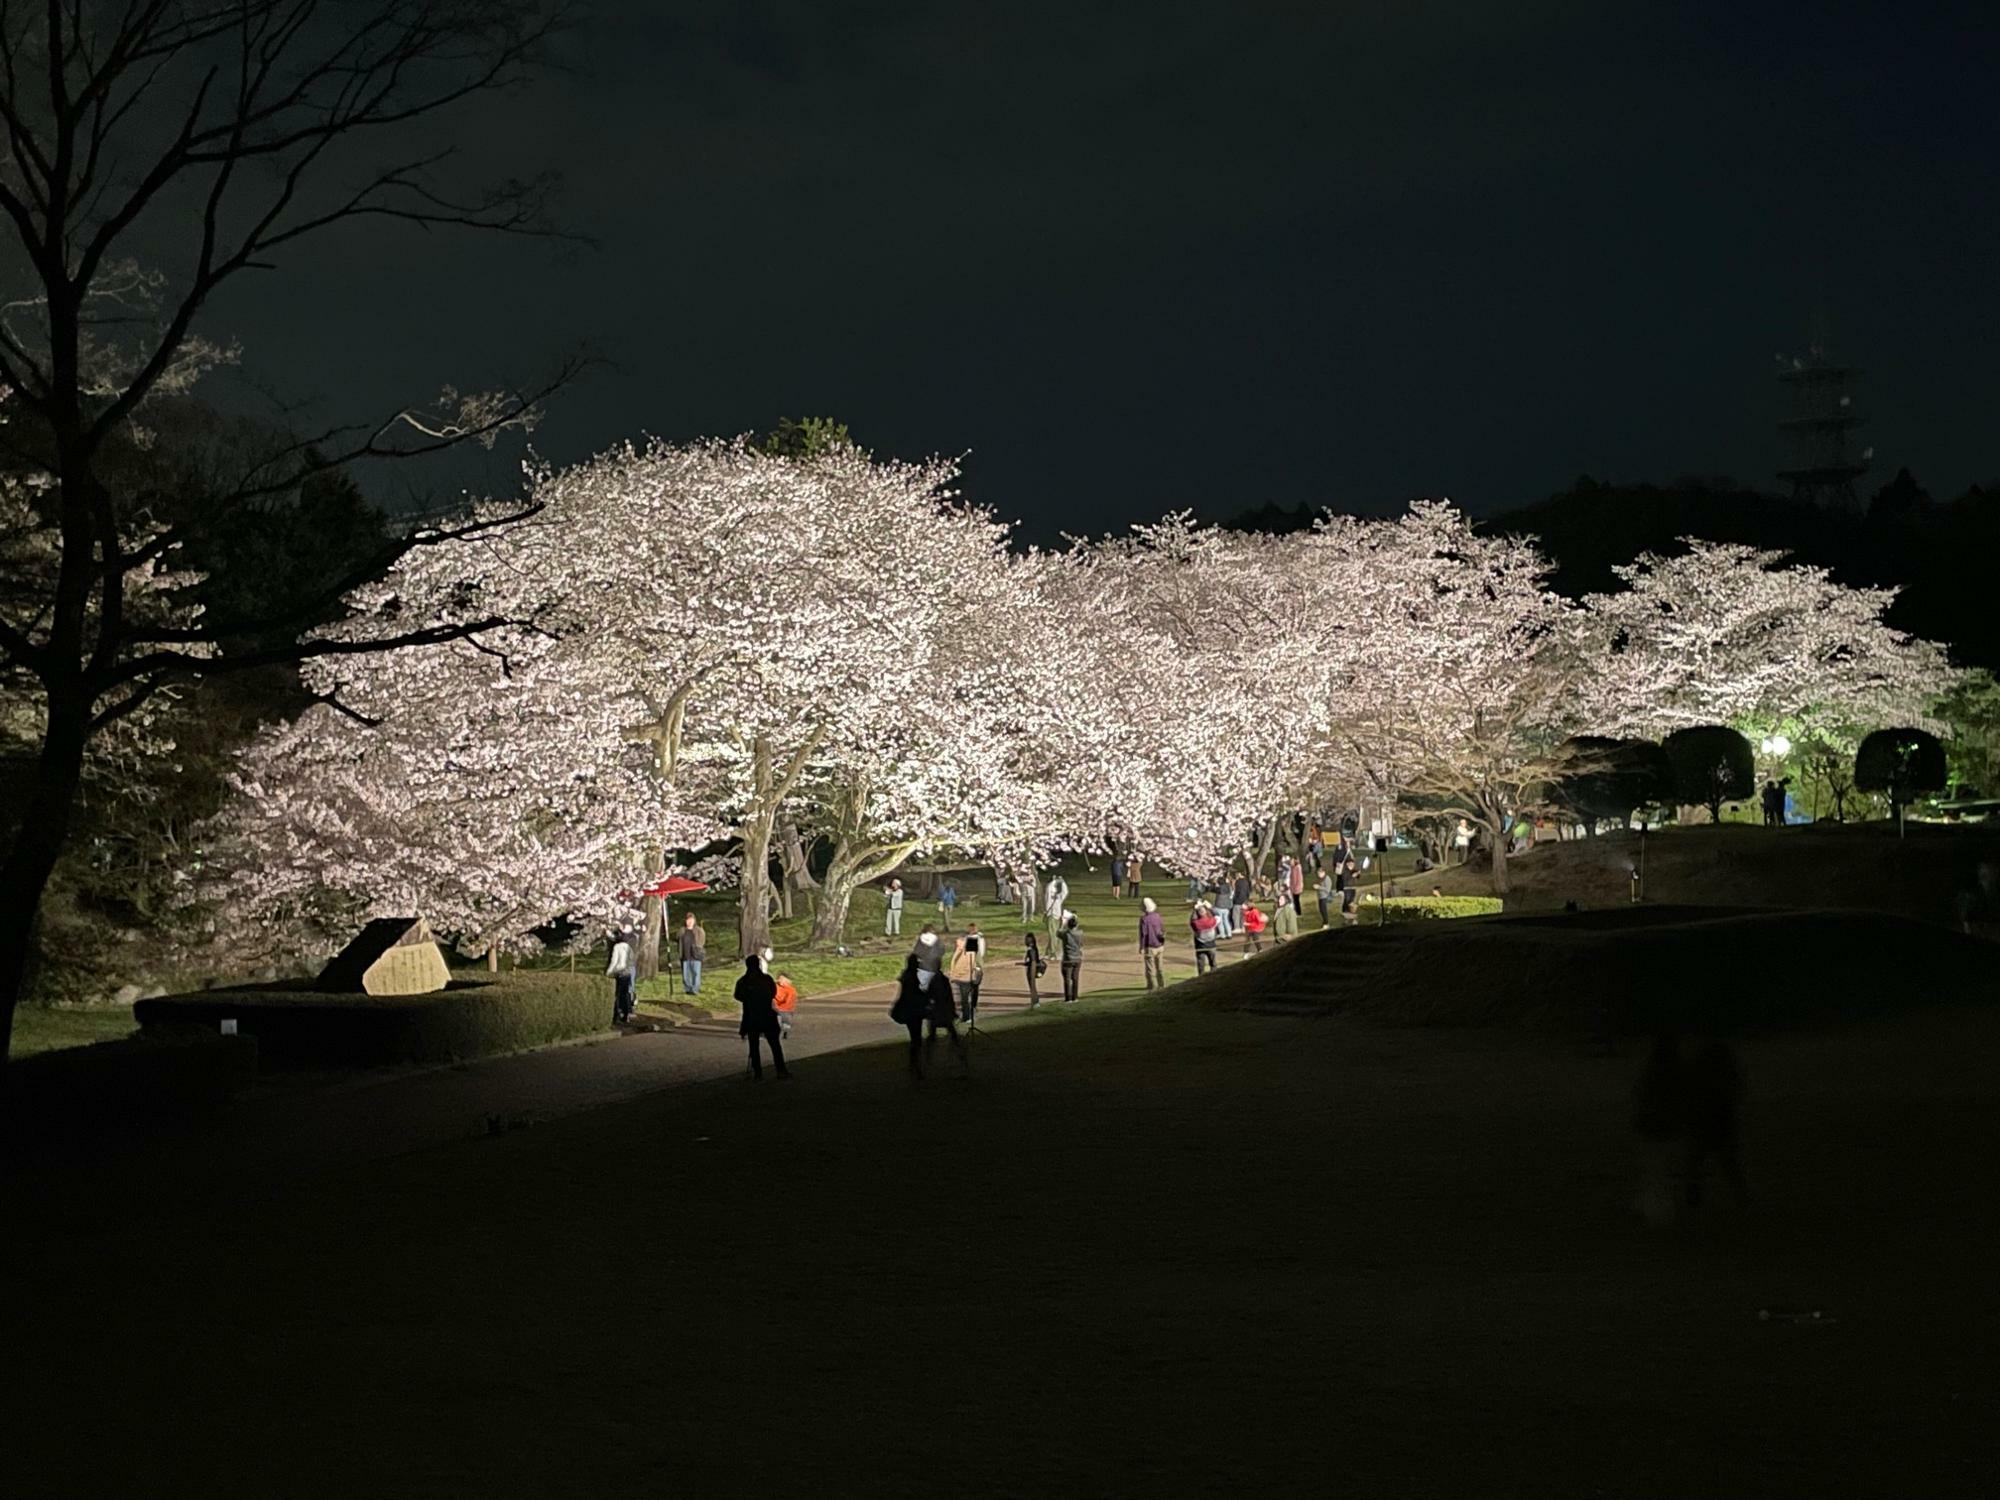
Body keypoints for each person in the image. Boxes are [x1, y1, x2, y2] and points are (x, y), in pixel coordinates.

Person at [734, 955, 790, 1081]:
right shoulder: (766, 979)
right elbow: (773, 993)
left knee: (754, 1046)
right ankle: (781, 1070)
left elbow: (738, 996)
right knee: (775, 1045)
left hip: (751, 1016)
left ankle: (758, 1072)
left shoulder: (743, 981)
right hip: (767, 1015)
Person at [949, 928, 985, 1024]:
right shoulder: (963, 948)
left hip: (966, 977)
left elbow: (968, 961)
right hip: (964, 976)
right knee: (965, 998)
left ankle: (968, 1016)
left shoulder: (967, 947)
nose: (956, 944)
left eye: (958, 942)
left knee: (965, 998)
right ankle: (967, 1016)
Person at [763, 946, 798, 1041]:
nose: (781, 980)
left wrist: (779, 1008)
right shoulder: (774, 986)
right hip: (774, 1008)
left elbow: (789, 1003)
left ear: (788, 981)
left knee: (785, 1021)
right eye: (780, 978)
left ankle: (785, 1030)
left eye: (783, 979)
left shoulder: (791, 990)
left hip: (785, 1009)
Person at [1138, 896, 1167, 989]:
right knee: (1160, 967)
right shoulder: (1158, 916)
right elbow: (1162, 929)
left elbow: (1143, 934)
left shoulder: (1144, 919)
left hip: (1150, 946)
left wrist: (1142, 947)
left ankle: (1151, 985)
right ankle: (1161, 984)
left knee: (1149, 968)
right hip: (1159, 945)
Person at [677, 911, 706, 995]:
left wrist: (698, 947)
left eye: (691, 920)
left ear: (694, 921)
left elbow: (702, 940)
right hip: (685, 955)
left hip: (695, 955)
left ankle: (695, 989)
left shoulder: (699, 930)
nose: (689, 922)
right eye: (688, 920)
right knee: (686, 975)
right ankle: (688, 989)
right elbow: (677, 937)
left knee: (696, 974)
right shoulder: (682, 930)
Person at [1058, 912, 1083, 1002]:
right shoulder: (1080, 933)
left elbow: (1058, 932)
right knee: (1075, 978)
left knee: (1067, 979)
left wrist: (1063, 923)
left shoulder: (1065, 934)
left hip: (1068, 959)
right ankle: (1075, 997)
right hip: (1078, 958)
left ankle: (1068, 998)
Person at [1190, 900, 1220, 974]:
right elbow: (1218, 916)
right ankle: (1214, 976)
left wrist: (1195, 909)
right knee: (1213, 963)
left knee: (1201, 965)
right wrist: (1210, 907)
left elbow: (1192, 920)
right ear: (1206, 912)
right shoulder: (1212, 921)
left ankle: (1201, 978)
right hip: (1211, 945)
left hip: (1200, 946)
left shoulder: (1196, 924)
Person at [1021, 930, 1047, 1008]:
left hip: (1031, 970)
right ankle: (1034, 1002)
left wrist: (1032, 973)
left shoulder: (1031, 950)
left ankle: (1035, 1002)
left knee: (1032, 987)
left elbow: (1033, 962)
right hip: (1031, 969)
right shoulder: (1033, 949)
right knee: (1032, 987)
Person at [1045, 872, 1069, 941]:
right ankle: (1052, 951)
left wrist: (1063, 882)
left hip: (1058, 916)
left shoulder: (1058, 896)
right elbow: (1049, 888)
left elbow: (1065, 892)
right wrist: (1055, 880)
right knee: (1053, 936)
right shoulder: (1048, 893)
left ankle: (1052, 951)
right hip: (1051, 915)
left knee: (1057, 936)